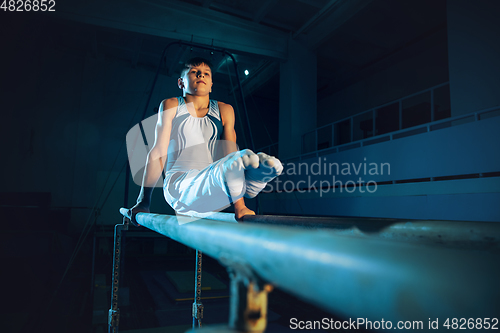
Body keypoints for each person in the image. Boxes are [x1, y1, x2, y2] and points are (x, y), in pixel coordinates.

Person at [126, 57, 282, 225]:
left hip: (213, 184)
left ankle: (249, 181)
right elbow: (158, 153)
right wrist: (144, 202)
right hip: (179, 186)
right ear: (181, 83)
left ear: (211, 84)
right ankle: (249, 182)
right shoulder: (171, 105)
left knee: (240, 161)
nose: (201, 74)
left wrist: (240, 206)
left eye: (206, 73)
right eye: (194, 71)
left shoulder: (225, 110)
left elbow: (229, 153)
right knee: (238, 161)